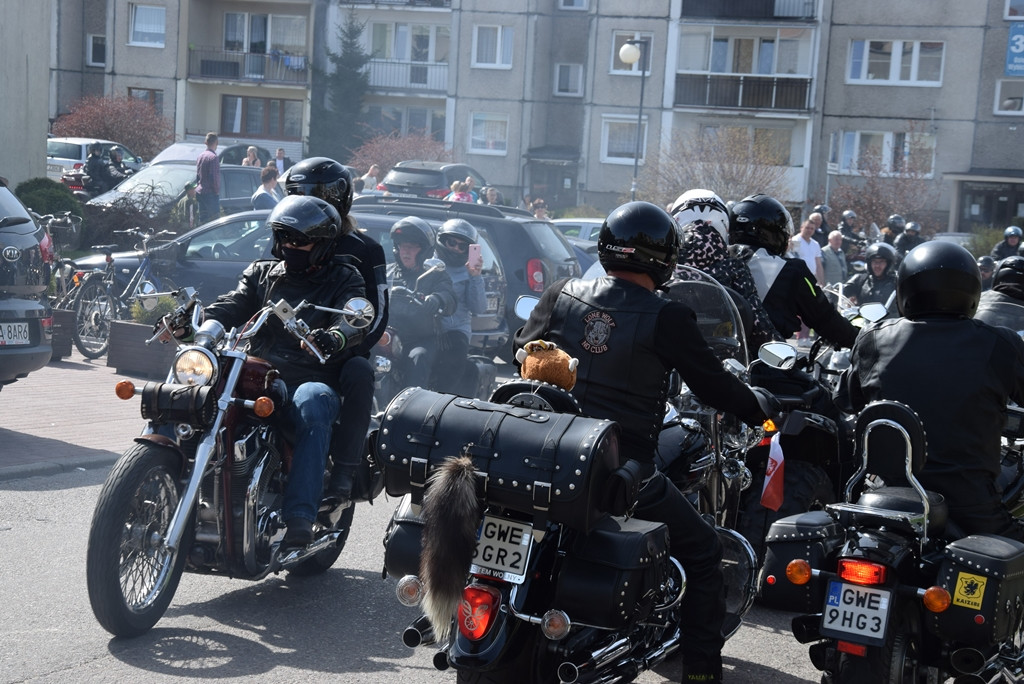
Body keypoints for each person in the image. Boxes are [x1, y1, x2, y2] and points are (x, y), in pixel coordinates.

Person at [514, 201, 780, 684]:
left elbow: (520, 350)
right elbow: (712, 385)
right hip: (619, 470)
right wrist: (759, 405)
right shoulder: (668, 316)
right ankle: (700, 675)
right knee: (702, 553)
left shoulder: (561, 293)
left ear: (604, 247)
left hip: (545, 453)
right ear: (664, 260)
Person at [197, 195, 369, 547]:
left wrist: (334, 336)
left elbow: (354, 318)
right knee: (200, 394)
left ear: (322, 245)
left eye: (300, 240)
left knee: (312, 402)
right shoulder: (263, 273)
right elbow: (235, 302)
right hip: (259, 373)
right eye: (284, 238)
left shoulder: (344, 277)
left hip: (312, 377)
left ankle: (300, 517)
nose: (290, 246)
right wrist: (204, 324)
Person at [837, 241, 1024, 542]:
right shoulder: (999, 344)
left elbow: (849, 400)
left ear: (904, 288)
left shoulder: (874, 338)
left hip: (884, 496)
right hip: (970, 504)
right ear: (973, 290)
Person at [284, 156, 390, 506]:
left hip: (340, 349)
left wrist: (341, 341)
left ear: (338, 199)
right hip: (286, 345)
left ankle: (344, 473)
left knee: (360, 372)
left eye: (315, 195)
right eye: (297, 194)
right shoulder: (287, 238)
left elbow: (376, 314)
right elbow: (259, 292)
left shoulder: (364, 249)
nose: (306, 203)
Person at [728, 193, 859, 349]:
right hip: (767, 362)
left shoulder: (713, 260)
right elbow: (824, 317)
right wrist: (860, 339)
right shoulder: (792, 271)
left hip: (712, 361)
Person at [670, 188, 782, 347]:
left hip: (667, 356)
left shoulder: (665, 261)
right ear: (724, 225)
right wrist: (786, 358)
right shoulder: (734, 265)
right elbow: (759, 325)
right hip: (720, 360)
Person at [386, 216, 456, 391]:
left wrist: (437, 299)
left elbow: (449, 296)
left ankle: (412, 410)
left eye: (412, 246)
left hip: (420, 339)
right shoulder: (388, 273)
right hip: (388, 337)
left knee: (419, 358)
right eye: (402, 246)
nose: (406, 251)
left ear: (424, 250)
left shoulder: (434, 273)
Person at [429, 219, 487, 396]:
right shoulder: (428, 264)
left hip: (455, 331)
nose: (456, 248)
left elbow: (479, 308)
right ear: (442, 241)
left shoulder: (470, 271)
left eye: (462, 246)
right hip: (425, 327)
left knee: (454, 360)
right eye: (452, 242)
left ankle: (443, 404)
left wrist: (475, 277)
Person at [975, 255, 1024, 330]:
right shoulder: (976, 295)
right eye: (979, 269)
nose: (982, 273)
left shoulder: (980, 297)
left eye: (986, 270)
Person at [843, 242, 898, 307]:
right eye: (874, 261)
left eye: (881, 261)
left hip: (890, 317)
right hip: (863, 316)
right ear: (869, 263)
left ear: (888, 264)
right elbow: (840, 291)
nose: (877, 265)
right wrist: (848, 299)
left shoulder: (896, 282)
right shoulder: (861, 280)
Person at [196, 132, 221, 223]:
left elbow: (198, 175)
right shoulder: (213, 157)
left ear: (206, 142)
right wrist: (217, 191)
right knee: (214, 223)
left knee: (203, 221)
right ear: (216, 142)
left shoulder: (201, 156)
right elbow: (214, 178)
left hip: (200, 191)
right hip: (210, 194)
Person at [795, 215, 825, 286]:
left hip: (812, 278)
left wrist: (821, 281)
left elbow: (818, 264)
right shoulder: (795, 241)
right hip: (798, 278)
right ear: (801, 228)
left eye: (812, 229)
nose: (809, 230)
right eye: (807, 228)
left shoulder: (815, 244)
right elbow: (793, 259)